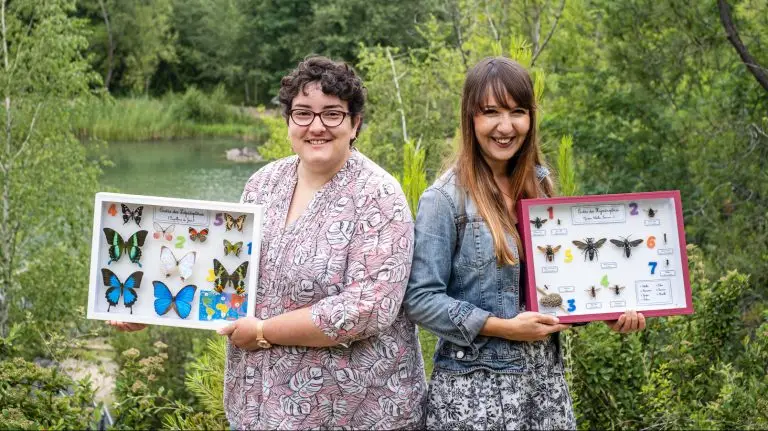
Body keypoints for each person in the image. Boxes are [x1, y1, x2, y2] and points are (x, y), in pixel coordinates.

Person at [112, 56, 427, 430]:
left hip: (351, 412)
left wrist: (263, 332)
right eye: (303, 113)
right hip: (262, 407)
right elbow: (222, 273)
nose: (317, 126)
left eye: (332, 114)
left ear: (355, 123)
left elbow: (367, 309)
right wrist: (147, 306)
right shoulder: (263, 183)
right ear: (288, 121)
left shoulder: (379, 196)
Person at [402, 56, 645, 430]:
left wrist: (607, 311)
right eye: (491, 112)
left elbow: (556, 290)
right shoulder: (444, 199)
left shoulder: (539, 185)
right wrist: (503, 326)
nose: (505, 126)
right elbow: (421, 299)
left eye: (517, 111)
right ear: (470, 118)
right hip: (474, 396)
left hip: (544, 387)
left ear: (531, 118)